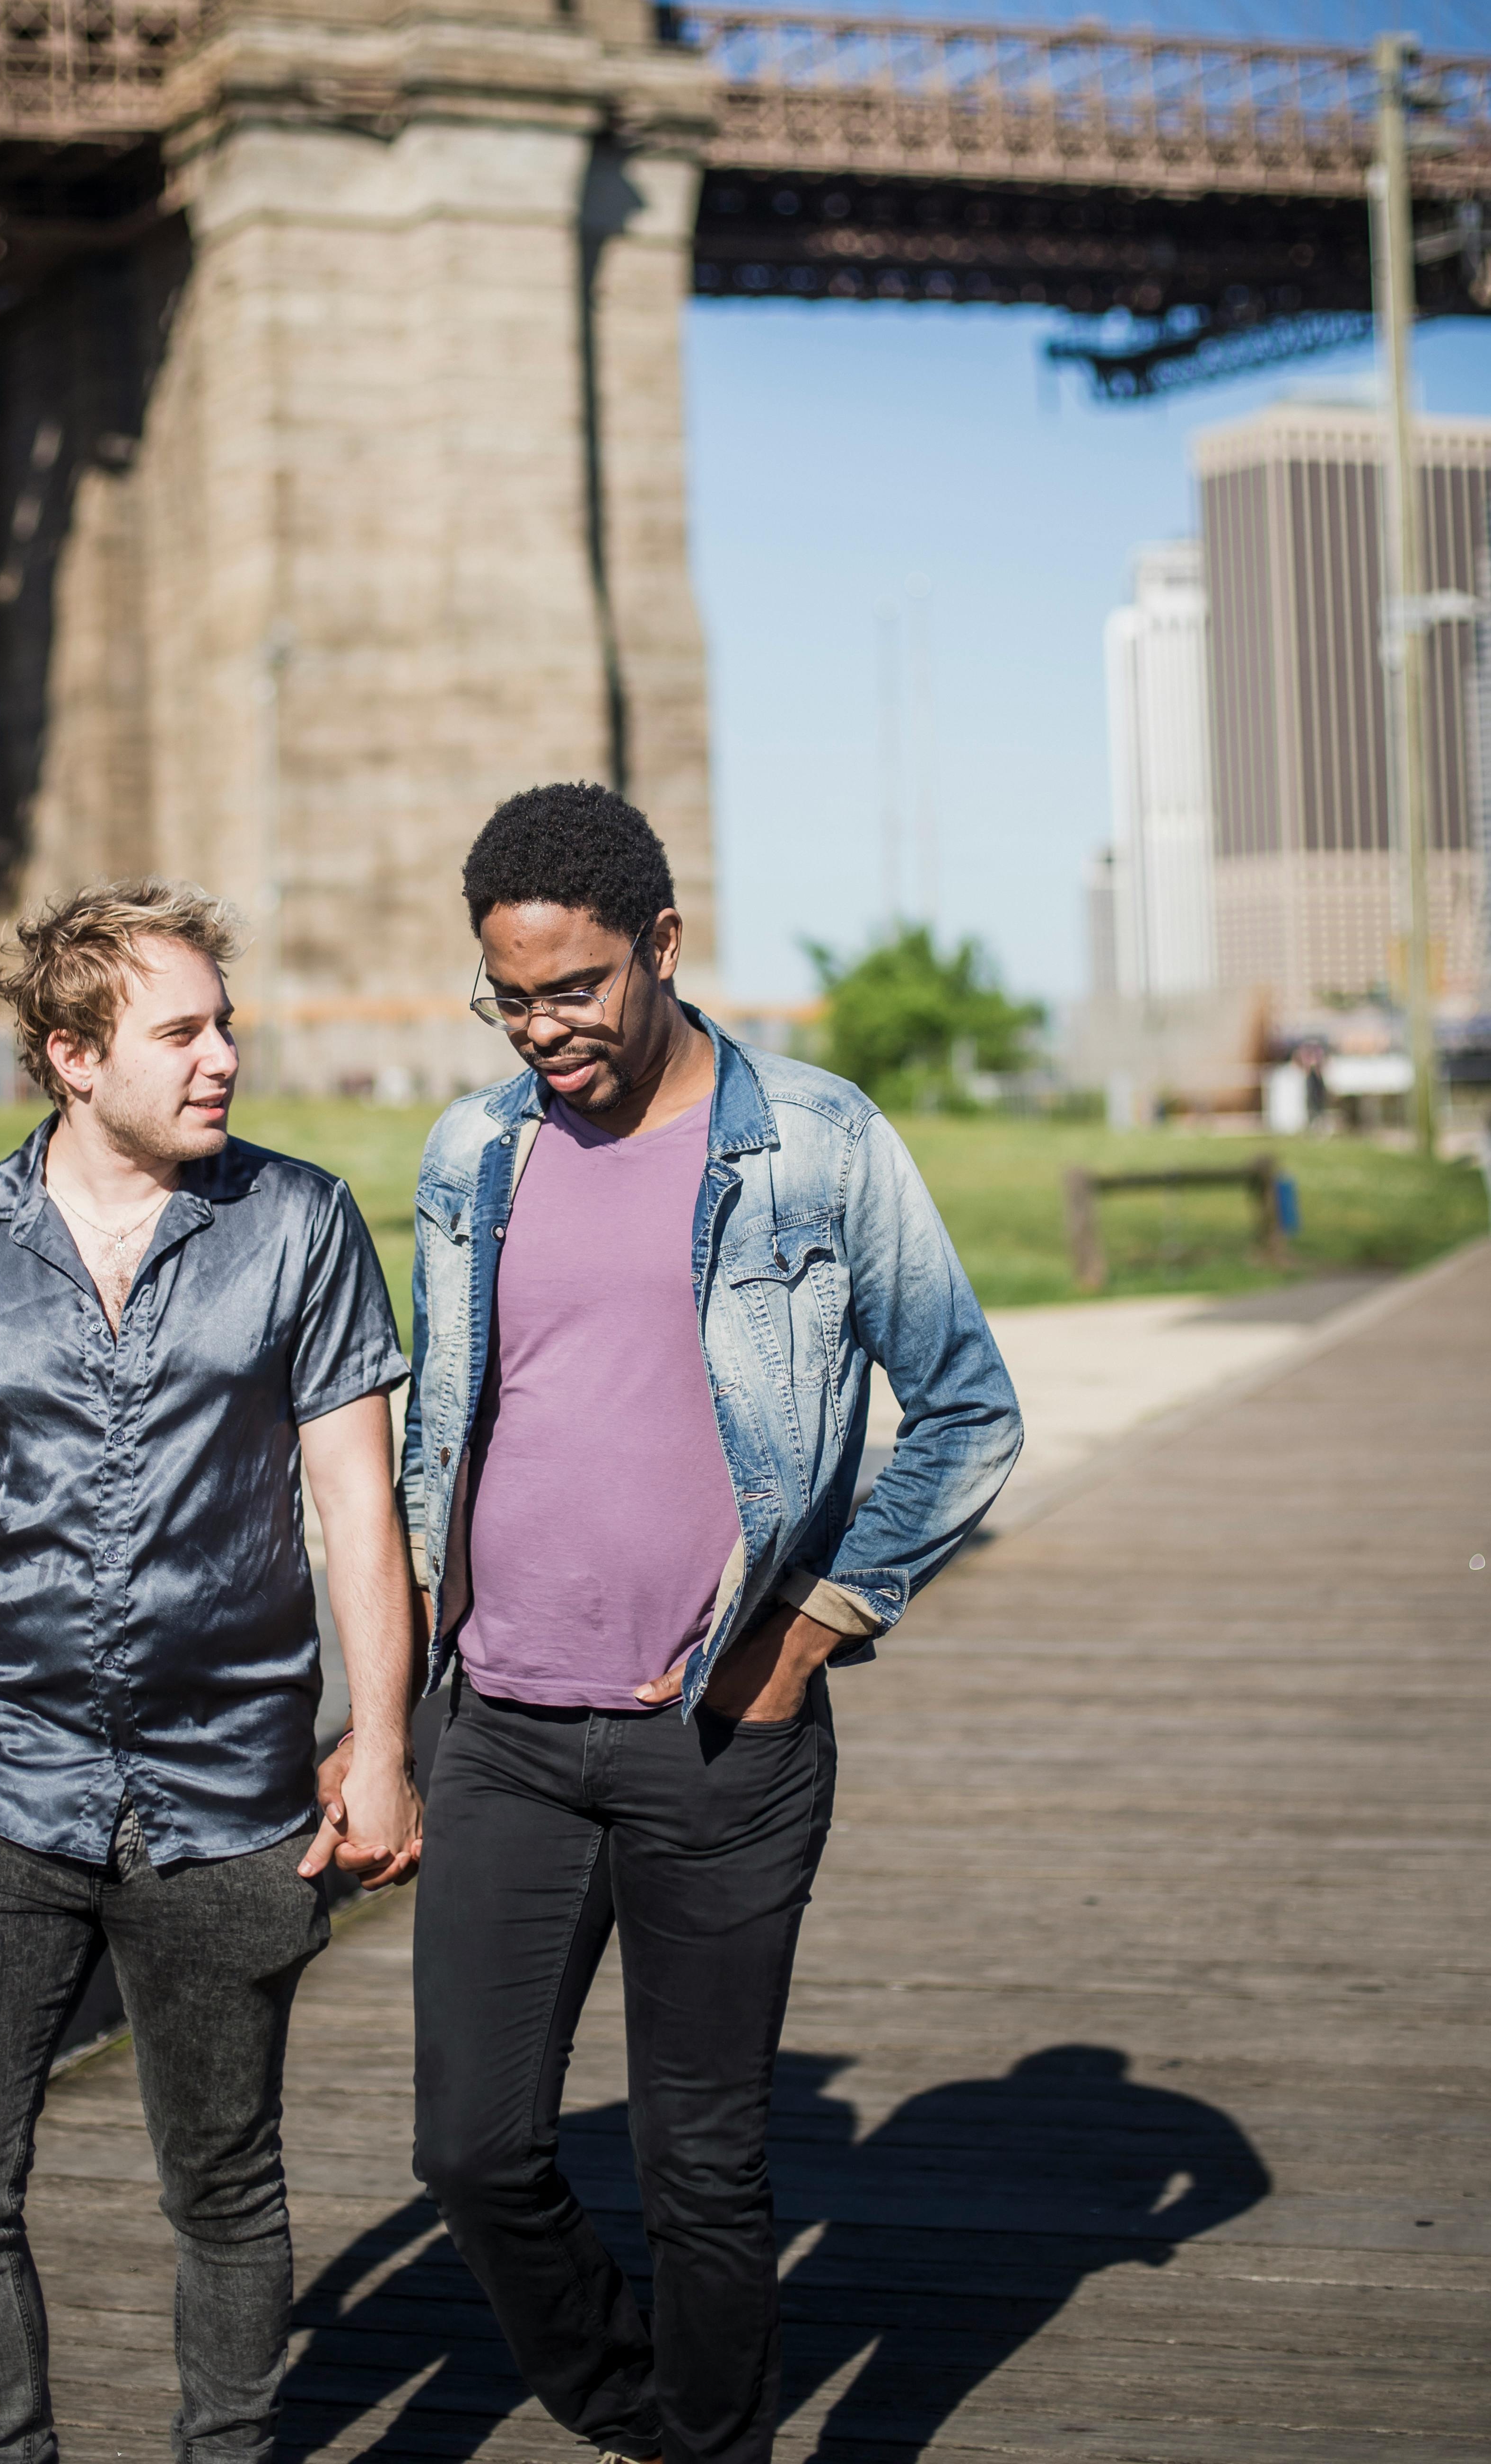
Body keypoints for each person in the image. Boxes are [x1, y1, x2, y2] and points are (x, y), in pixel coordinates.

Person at [324, 783, 1022, 2464]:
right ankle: (638, 2400)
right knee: (473, 2151)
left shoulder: (819, 1140)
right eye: (510, 995)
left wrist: (810, 1631)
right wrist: (393, 1701)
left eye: (574, 988)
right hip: (500, 1728)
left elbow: (967, 1409)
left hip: (719, 1734)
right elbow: (453, 1429)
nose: (543, 1028)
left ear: (662, 945)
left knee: (705, 2166)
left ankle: (712, 2444)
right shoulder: (471, 1151)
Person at [0, 877, 420, 2464]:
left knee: (224, 2187)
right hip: (1, 1792)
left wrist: (387, 1740)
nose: (224, 1058)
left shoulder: (301, 1224)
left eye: (228, 1025)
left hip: (233, 1794)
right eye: (181, 1031)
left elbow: (358, 1502)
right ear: (72, 1054)